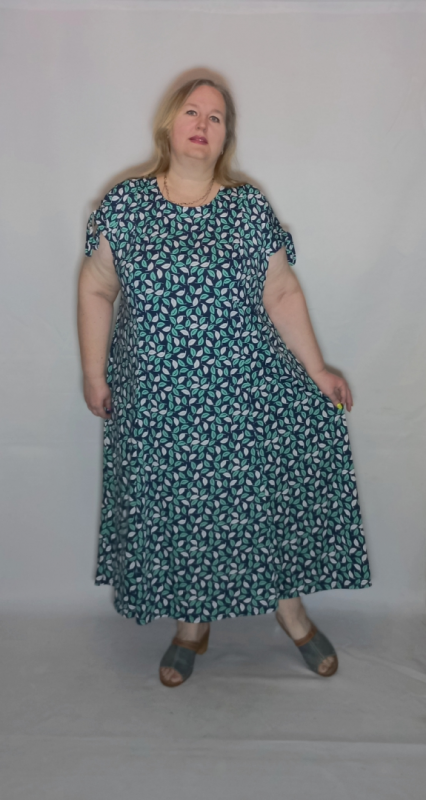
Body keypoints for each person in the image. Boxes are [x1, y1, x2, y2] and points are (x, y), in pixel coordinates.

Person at [78, 77, 371, 688]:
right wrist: (93, 372)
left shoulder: (247, 209)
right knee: (181, 507)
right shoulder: (125, 205)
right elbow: (98, 286)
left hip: (245, 398)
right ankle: (192, 625)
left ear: (224, 138)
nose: (203, 124)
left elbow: (281, 291)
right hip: (158, 404)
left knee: (257, 504)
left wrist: (317, 369)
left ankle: (290, 612)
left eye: (217, 117)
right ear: (169, 124)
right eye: (193, 111)